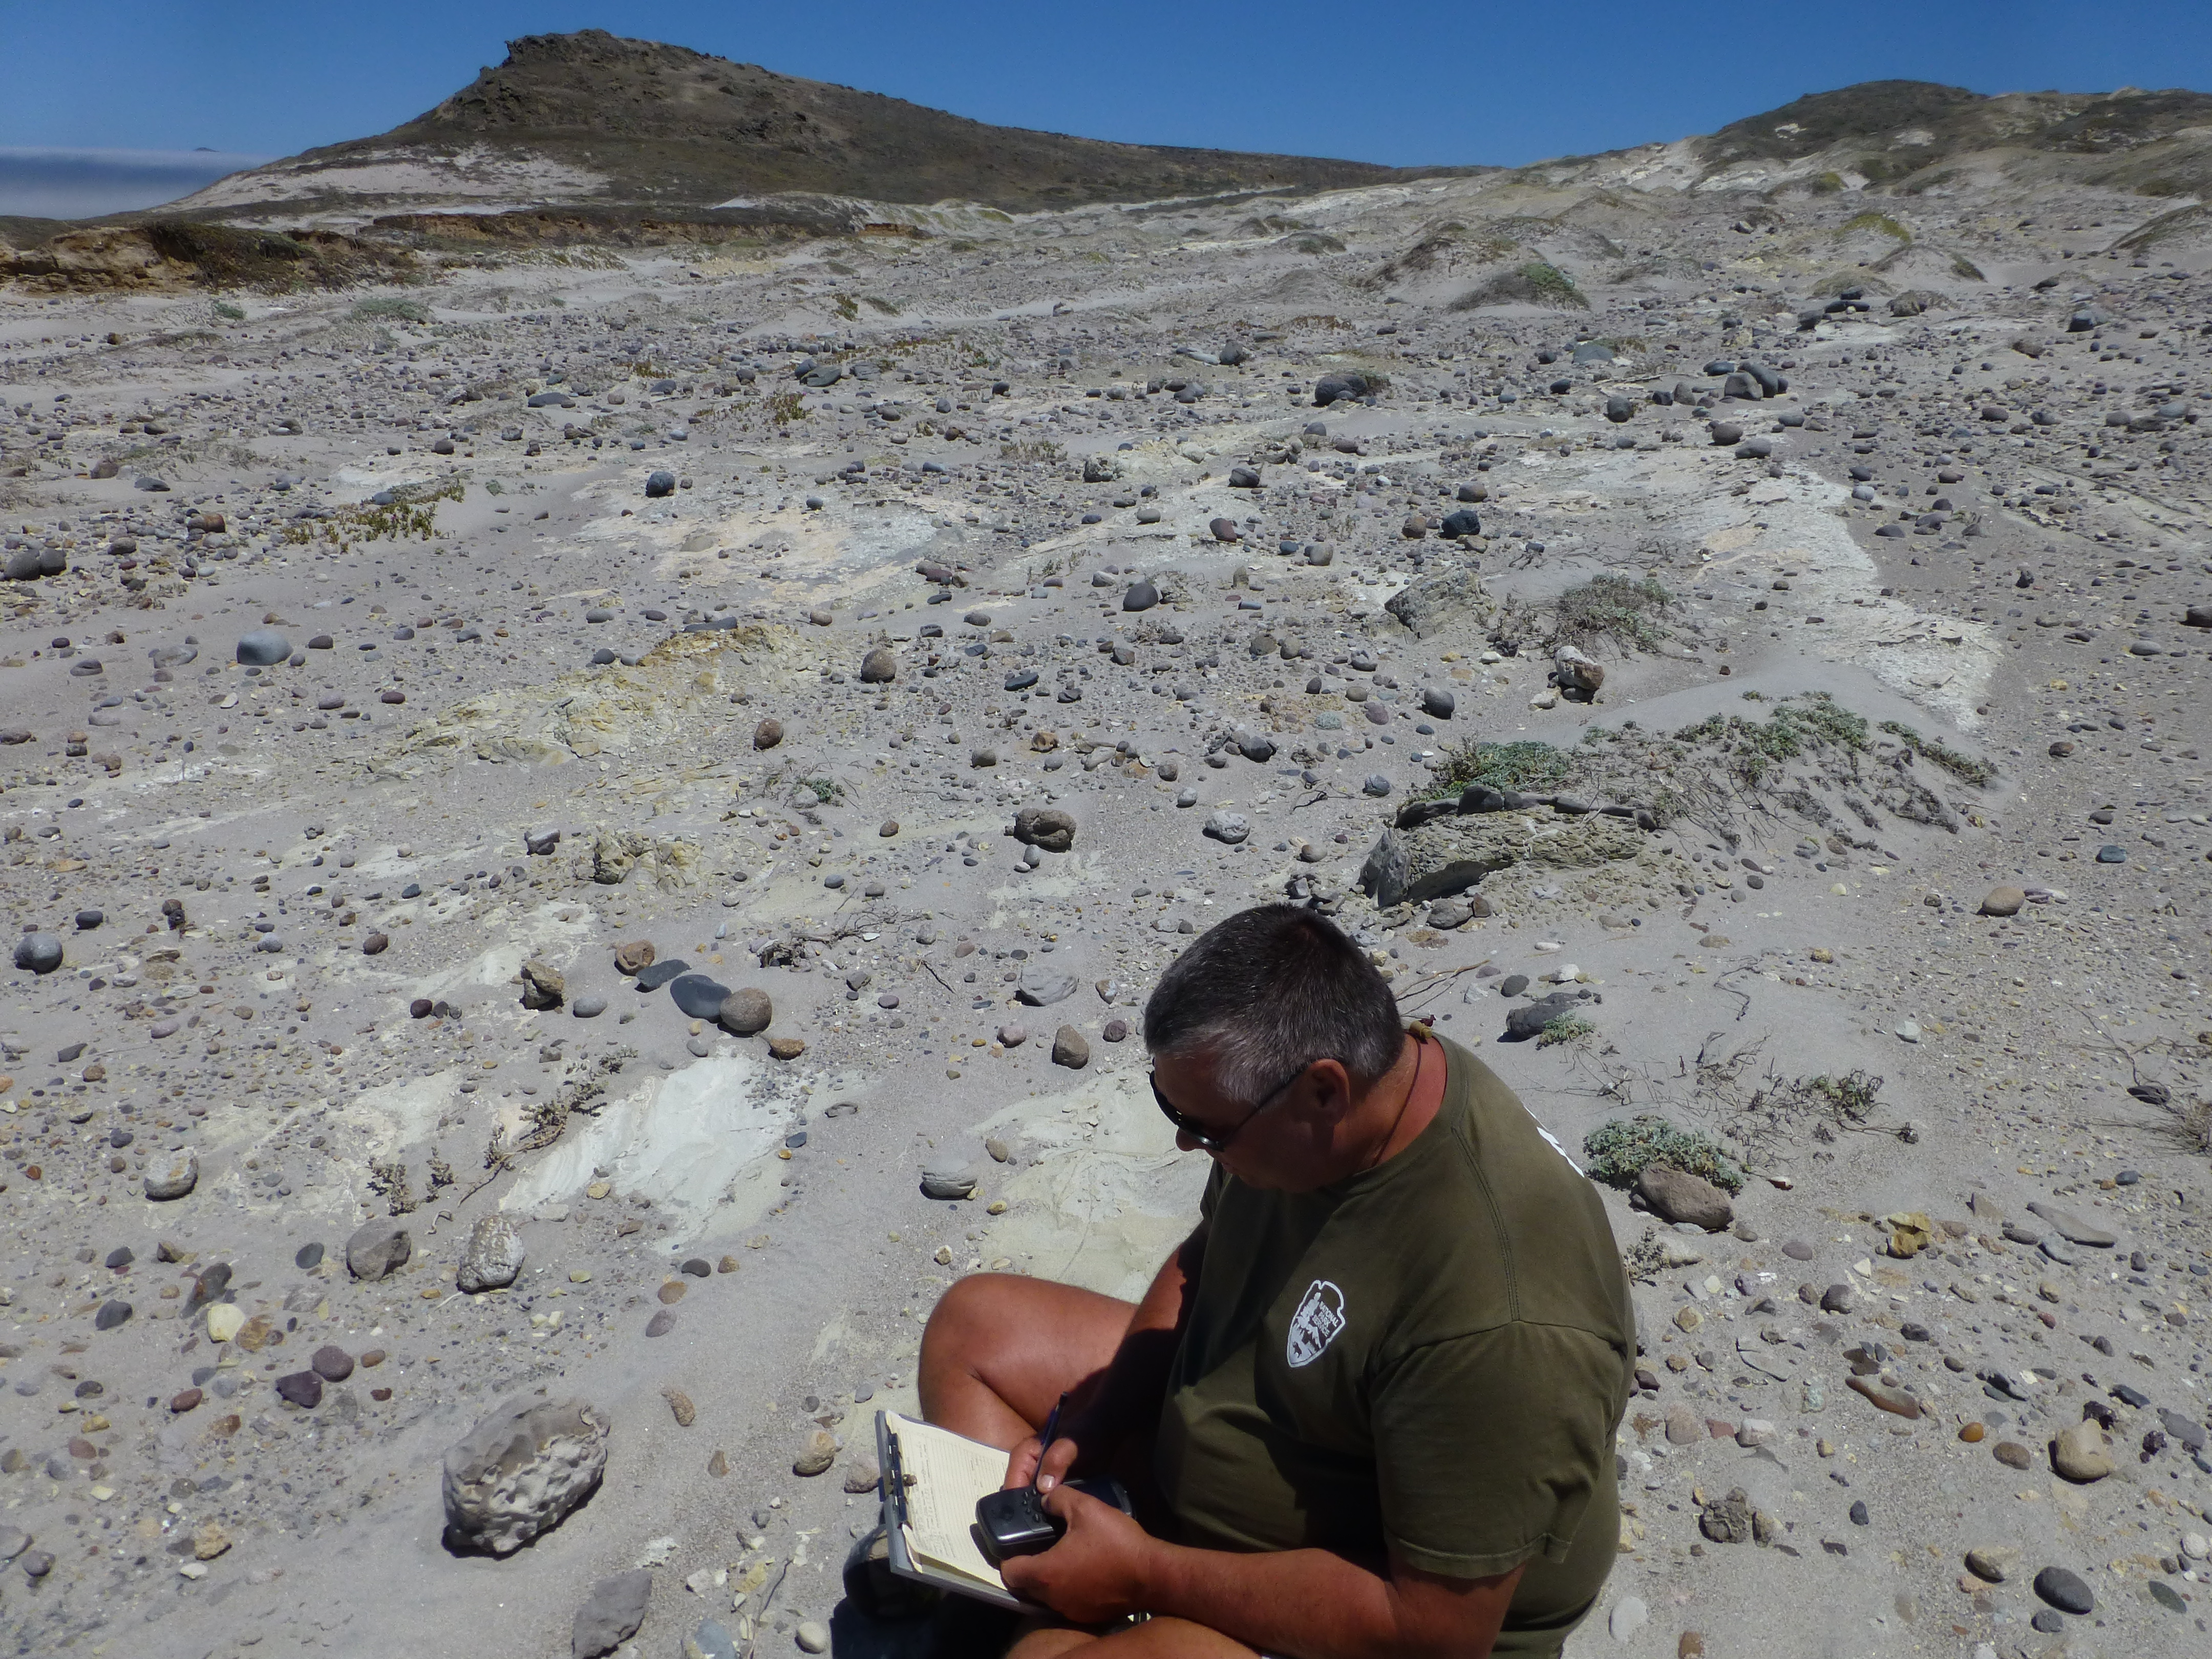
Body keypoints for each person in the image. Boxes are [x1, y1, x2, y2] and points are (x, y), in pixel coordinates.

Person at [919, 903, 1634, 1659]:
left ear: (1325, 1092)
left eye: (1207, 1127)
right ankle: (1050, 1588)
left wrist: (1146, 1574)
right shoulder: (1358, 1094)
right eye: (1171, 1106)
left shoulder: (1501, 1321)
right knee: (976, 1326)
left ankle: (1058, 1608)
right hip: (1250, 1445)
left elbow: (1431, 1632)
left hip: (1362, 1609)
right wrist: (1104, 1414)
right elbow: (1207, 1253)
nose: (1186, 1140)